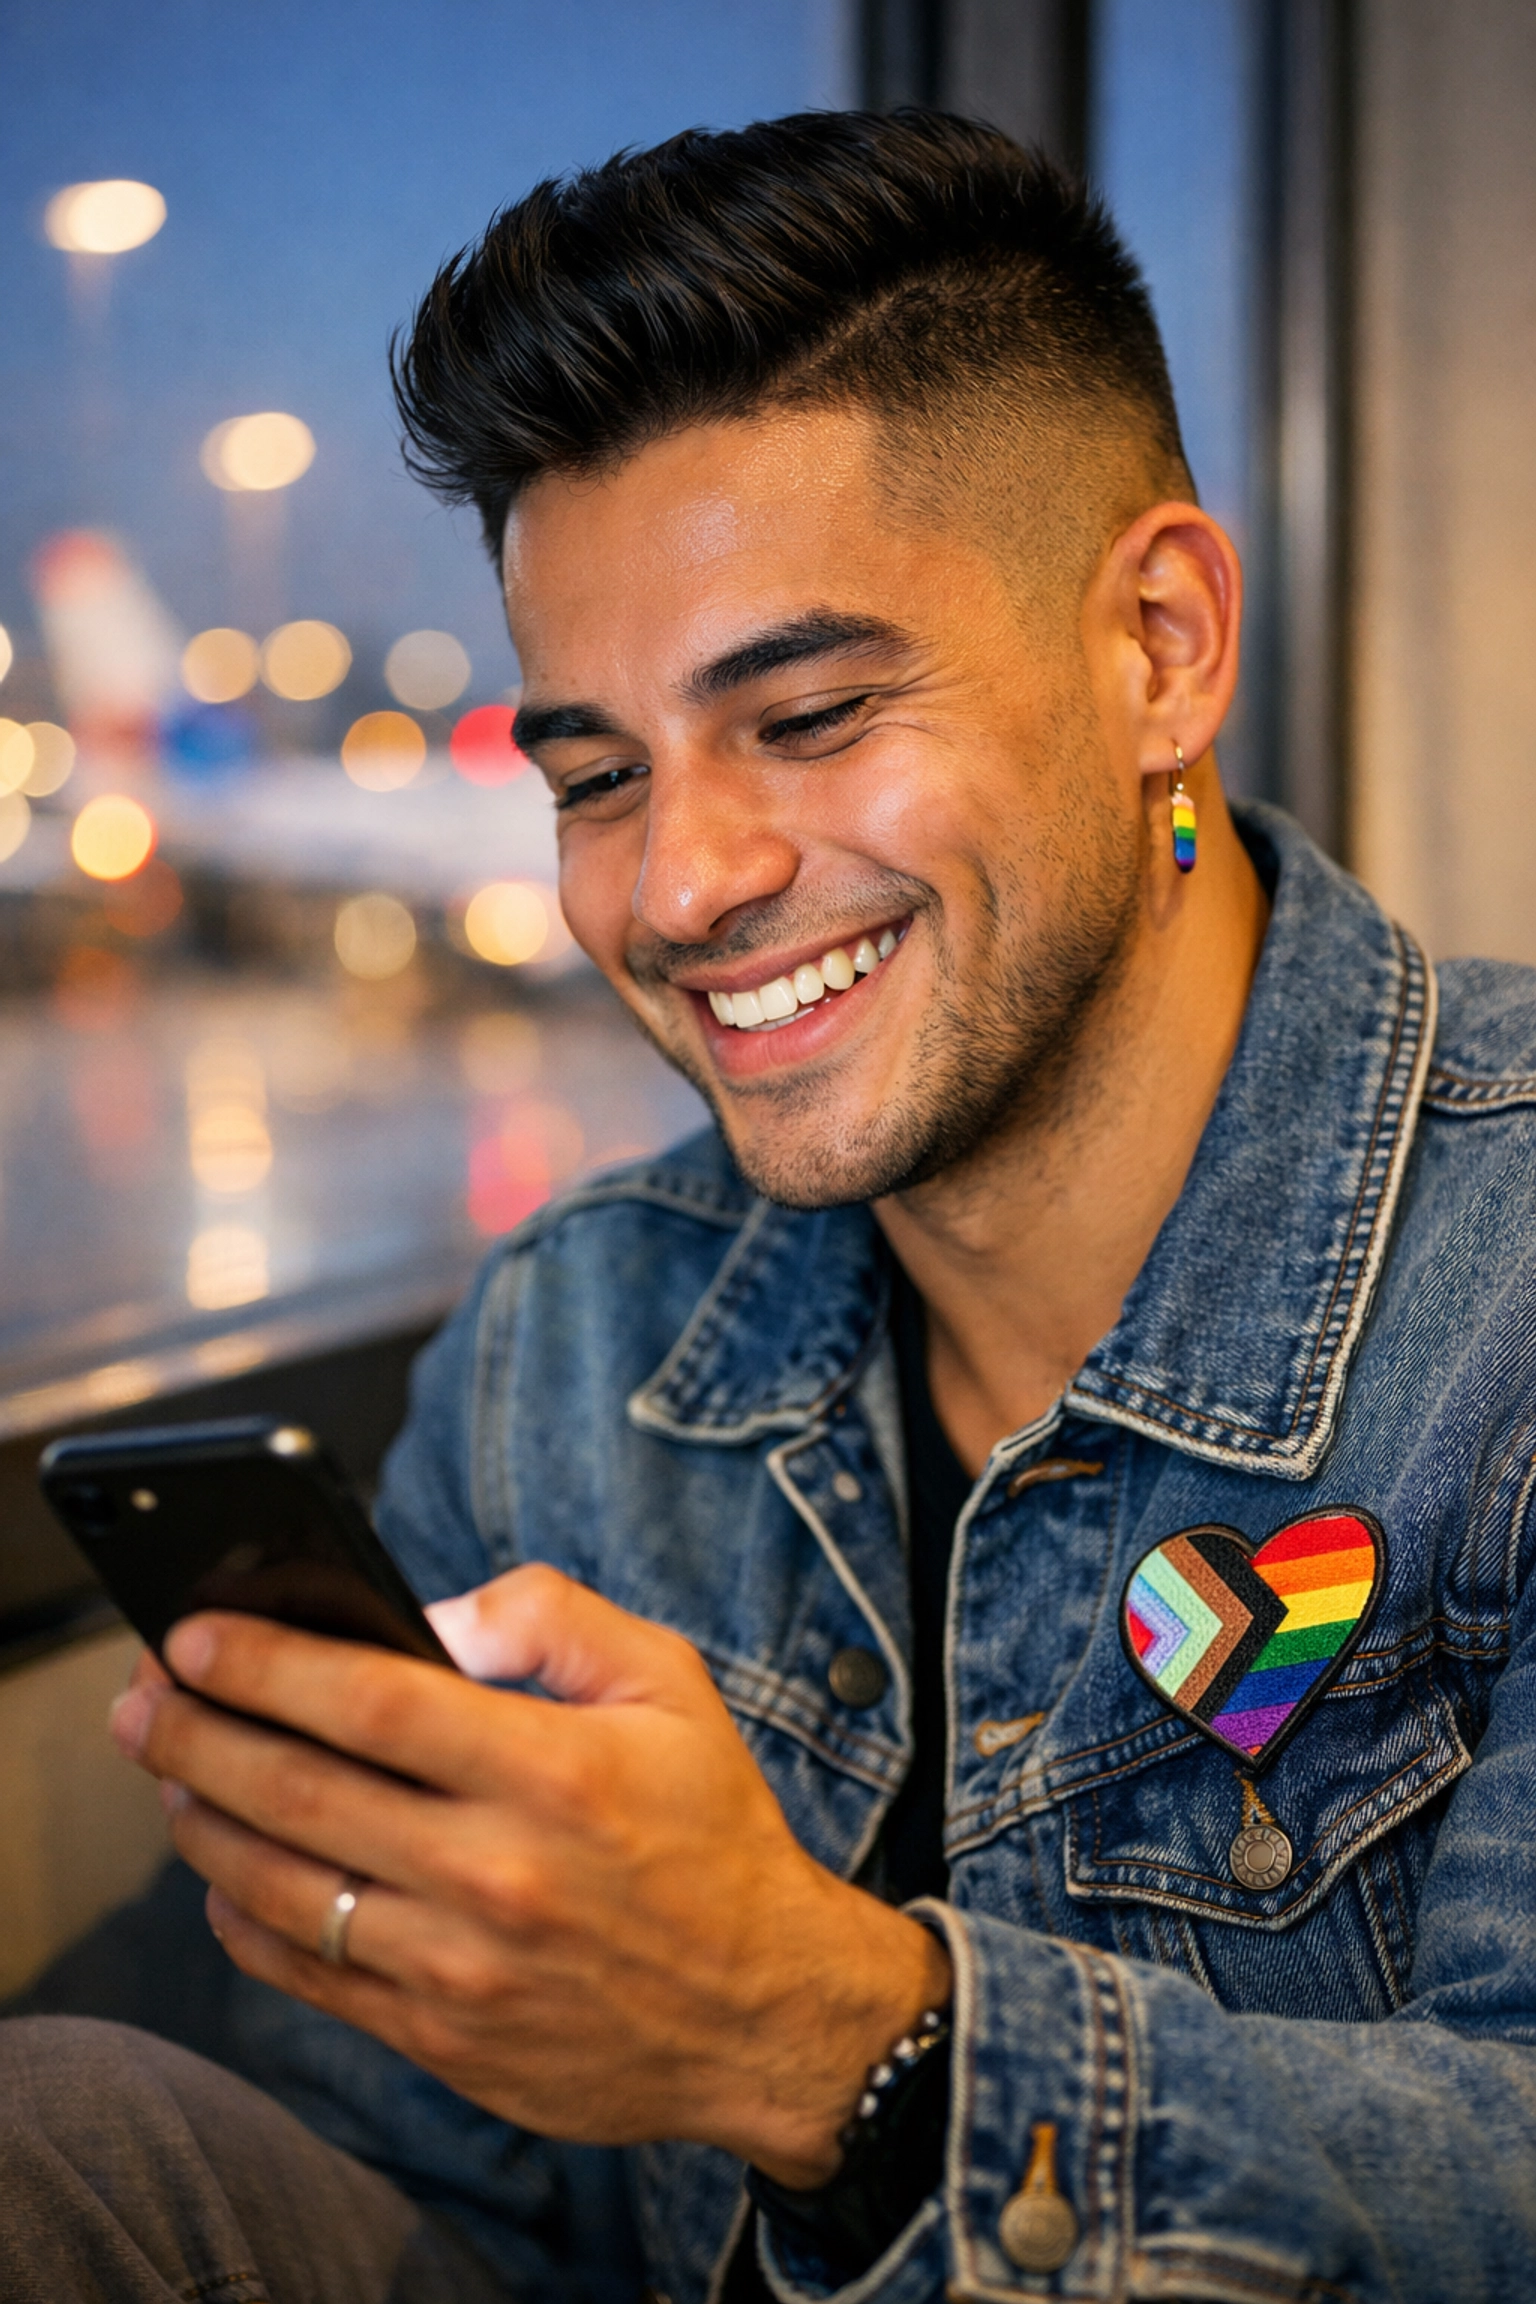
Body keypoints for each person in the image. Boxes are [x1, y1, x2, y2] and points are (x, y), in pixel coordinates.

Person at [8, 106, 1536, 2304]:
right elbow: (400, 2163)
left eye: (806, 714)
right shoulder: (577, 1348)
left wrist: (836, 2039)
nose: (676, 885)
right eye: (597, 776)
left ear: (1164, 650)